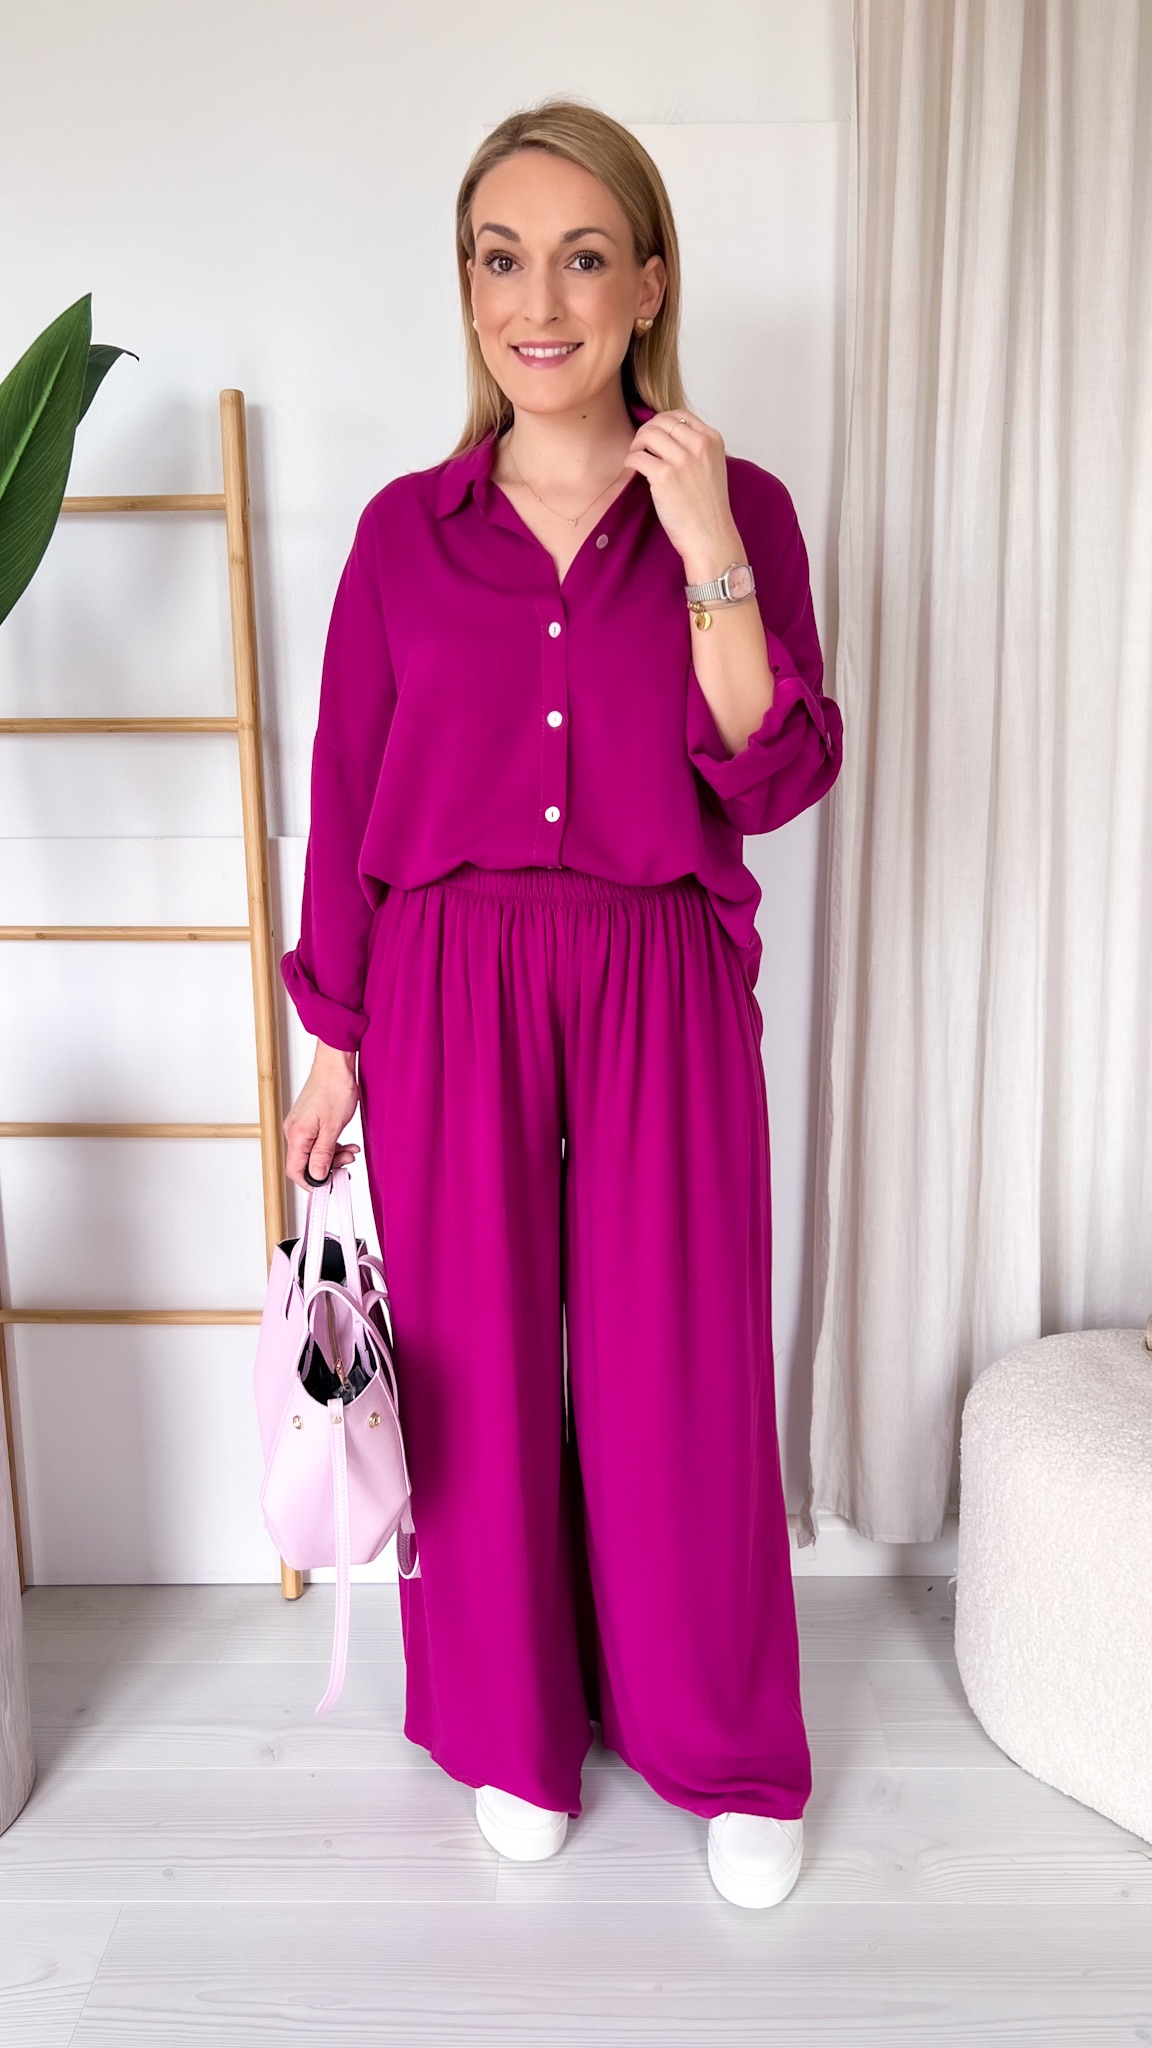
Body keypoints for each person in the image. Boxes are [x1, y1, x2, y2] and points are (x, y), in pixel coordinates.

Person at [280, 98, 843, 1911]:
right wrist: (333, 1036)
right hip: (448, 989)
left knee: (681, 1367)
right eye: (504, 259)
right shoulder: (403, 535)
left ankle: (722, 1742)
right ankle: (513, 1729)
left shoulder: (738, 511)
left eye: (584, 258)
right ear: (466, 289)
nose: (541, 301)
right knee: (481, 1369)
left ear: (649, 284)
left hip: (662, 974)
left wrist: (705, 539)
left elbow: (773, 772)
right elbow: (348, 795)